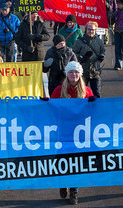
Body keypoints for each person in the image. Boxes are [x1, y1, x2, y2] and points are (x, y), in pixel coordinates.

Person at [50, 61, 95, 205]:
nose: (73, 75)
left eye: (76, 72)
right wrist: (45, 103)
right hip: (63, 132)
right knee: (62, 160)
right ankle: (63, 183)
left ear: (80, 74)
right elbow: (51, 109)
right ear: (67, 74)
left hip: (79, 133)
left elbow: (93, 112)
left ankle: (74, 191)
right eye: (71, 72)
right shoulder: (58, 90)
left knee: (76, 161)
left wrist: (94, 103)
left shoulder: (87, 91)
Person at [72, 21, 105, 97]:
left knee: (97, 93)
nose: (91, 31)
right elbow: (74, 53)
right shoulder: (79, 41)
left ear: (95, 30)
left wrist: (102, 56)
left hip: (95, 71)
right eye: (89, 29)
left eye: (92, 30)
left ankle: (97, 108)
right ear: (86, 29)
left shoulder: (99, 41)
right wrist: (81, 58)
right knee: (81, 93)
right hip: (83, 72)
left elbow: (102, 50)